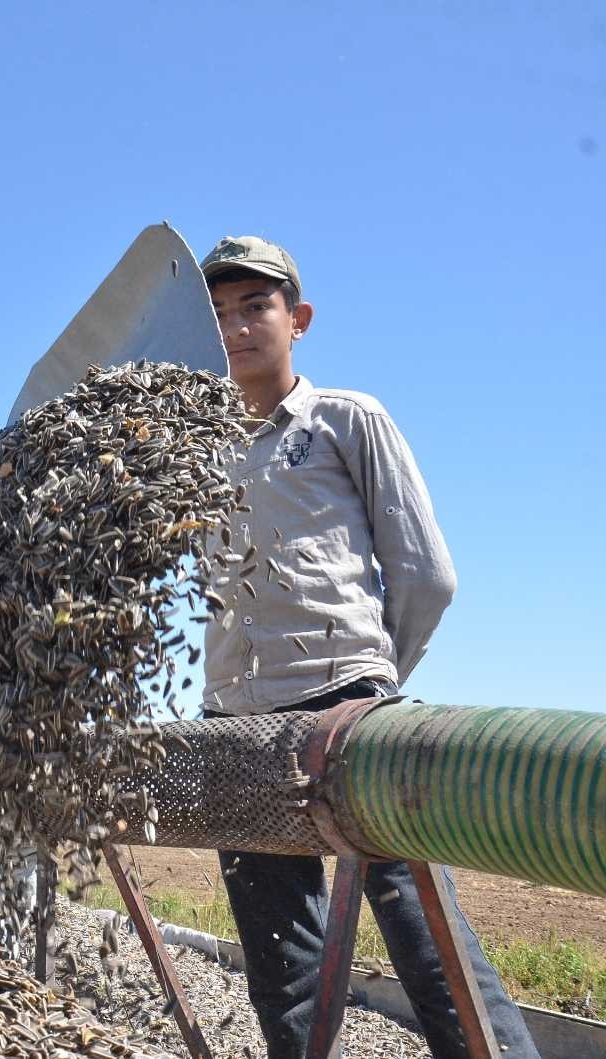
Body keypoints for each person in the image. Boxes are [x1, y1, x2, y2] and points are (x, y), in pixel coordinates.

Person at [198, 236, 537, 1059]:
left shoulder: (347, 421)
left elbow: (426, 575)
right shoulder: (190, 453)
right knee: (285, 973)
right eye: (216, 313)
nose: (236, 327)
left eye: (255, 306)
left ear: (297, 318)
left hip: (345, 712)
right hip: (235, 724)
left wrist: (370, 683)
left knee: (427, 939)